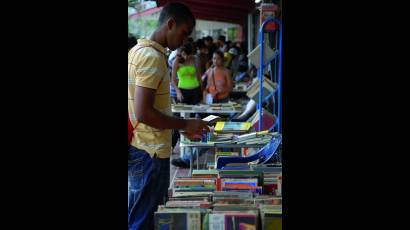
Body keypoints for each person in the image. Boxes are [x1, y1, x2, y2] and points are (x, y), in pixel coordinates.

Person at [128, 3, 210, 230]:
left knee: (138, 213)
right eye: (184, 33)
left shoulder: (137, 50)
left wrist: (178, 126)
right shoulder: (151, 57)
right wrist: (185, 123)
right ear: (170, 24)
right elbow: (143, 112)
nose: (184, 41)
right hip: (149, 151)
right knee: (143, 220)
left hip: (140, 146)